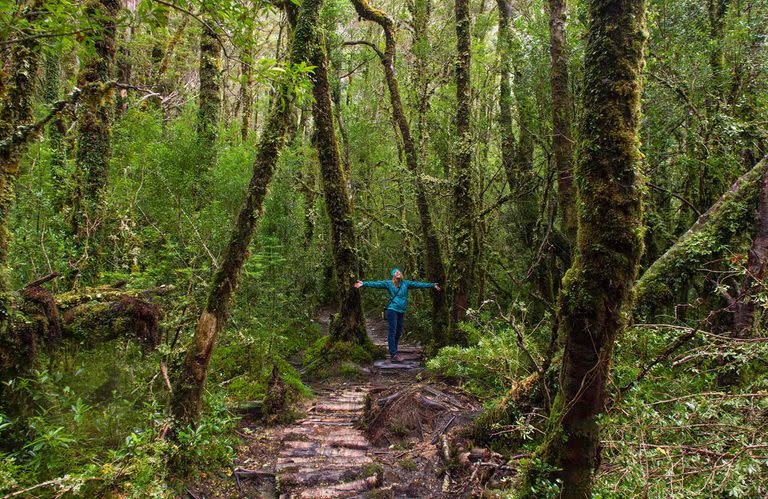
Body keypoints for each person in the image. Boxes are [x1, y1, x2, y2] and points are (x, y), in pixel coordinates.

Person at [355, 268, 440, 361]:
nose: (398, 272)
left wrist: (432, 285)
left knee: (398, 331)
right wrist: (364, 283)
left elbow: (418, 284)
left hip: (401, 311)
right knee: (393, 331)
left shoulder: (406, 283)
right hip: (392, 309)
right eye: (396, 272)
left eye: (399, 271)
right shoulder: (389, 283)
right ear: (393, 275)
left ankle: (394, 351)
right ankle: (393, 354)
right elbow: (377, 284)